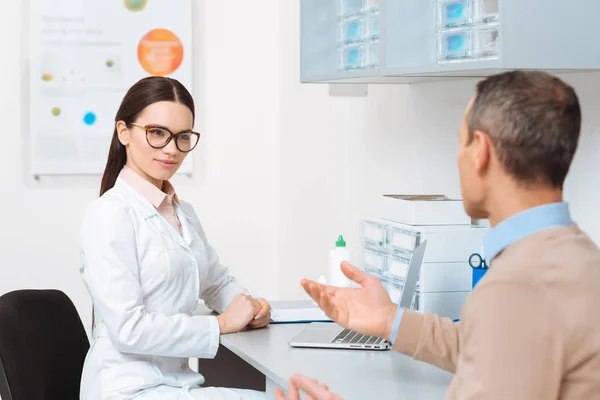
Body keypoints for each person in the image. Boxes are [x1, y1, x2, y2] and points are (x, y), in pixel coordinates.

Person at [275, 70, 600, 400]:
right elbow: (495, 347)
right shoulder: (580, 259)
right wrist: (388, 319)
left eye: (461, 142)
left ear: (481, 152)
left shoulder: (518, 285)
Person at [79, 76, 269, 400]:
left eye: (182, 137)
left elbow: (216, 282)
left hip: (175, 385)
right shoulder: (109, 214)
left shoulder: (183, 212)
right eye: (157, 133)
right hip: (127, 389)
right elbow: (129, 329)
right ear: (123, 132)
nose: (172, 149)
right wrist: (222, 324)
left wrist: (249, 306)